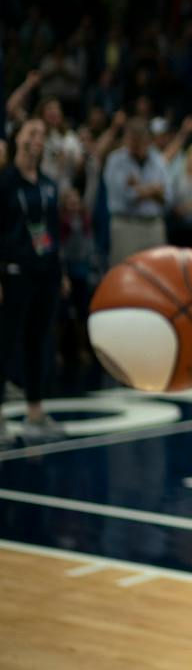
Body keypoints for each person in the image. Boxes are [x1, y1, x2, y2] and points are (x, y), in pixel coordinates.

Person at [0, 118, 68, 444]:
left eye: (42, 134)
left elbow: (53, 232)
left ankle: (35, 412)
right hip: (14, 272)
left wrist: (61, 271)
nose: (38, 138)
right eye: (32, 132)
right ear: (18, 138)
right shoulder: (5, 182)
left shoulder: (49, 184)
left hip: (46, 273)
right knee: (5, 342)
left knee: (37, 343)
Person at [102, 117, 170, 264]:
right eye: (133, 138)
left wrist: (139, 188)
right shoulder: (116, 160)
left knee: (157, 273)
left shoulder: (157, 159)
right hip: (126, 224)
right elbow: (124, 197)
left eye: (141, 138)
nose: (136, 143)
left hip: (153, 224)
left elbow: (167, 197)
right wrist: (152, 189)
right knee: (125, 274)